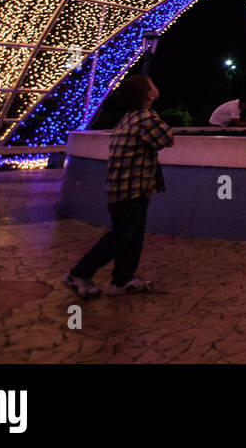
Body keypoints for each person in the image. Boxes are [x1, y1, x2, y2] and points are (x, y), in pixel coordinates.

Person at [63, 74, 174, 298]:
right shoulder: (145, 118)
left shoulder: (128, 118)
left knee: (132, 236)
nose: (155, 86)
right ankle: (79, 273)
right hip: (132, 190)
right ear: (149, 94)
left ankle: (122, 279)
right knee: (121, 236)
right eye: (152, 84)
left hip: (124, 189)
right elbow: (166, 139)